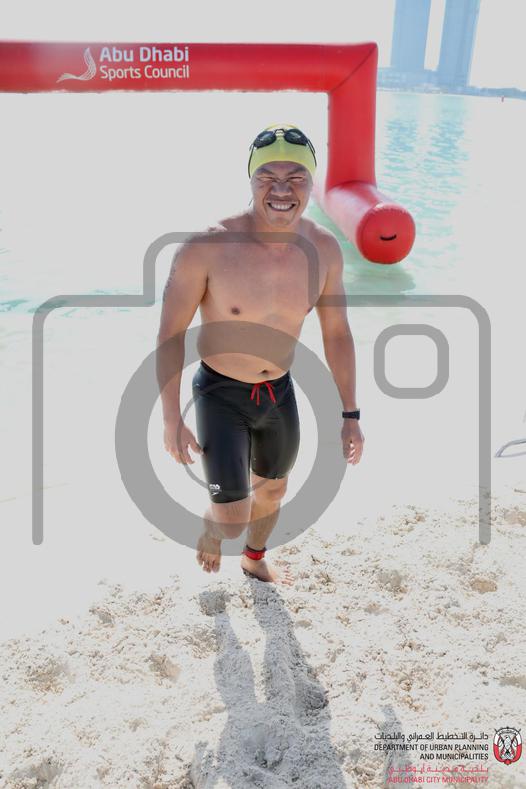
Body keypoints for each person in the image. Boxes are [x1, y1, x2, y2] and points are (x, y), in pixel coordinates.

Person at [157, 123, 364, 584]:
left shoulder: (324, 250)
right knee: (231, 520)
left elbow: (337, 333)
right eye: (268, 177)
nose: (282, 191)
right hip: (220, 393)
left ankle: (254, 558)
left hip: (278, 392)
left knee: (273, 492)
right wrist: (171, 418)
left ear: (311, 183)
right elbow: (170, 334)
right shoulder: (207, 246)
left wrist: (350, 413)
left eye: (296, 178)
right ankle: (216, 524)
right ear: (250, 180)